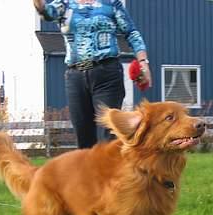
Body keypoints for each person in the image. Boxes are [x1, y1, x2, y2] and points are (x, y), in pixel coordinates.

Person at [33, 0, 151, 148]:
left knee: (108, 134)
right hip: (76, 75)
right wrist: (39, 4)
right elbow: (46, 12)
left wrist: (143, 62)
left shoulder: (111, 4)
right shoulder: (64, 4)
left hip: (107, 74)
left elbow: (131, 32)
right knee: (83, 137)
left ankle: (111, 170)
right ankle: (87, 171)